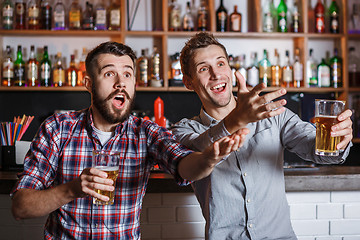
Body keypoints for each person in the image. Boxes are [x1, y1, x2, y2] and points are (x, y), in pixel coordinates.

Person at [10, 41, 248, 239]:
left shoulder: (145, 132)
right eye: (109, 73)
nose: (120, 82)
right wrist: (72, 189)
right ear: (89, 84)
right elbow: (20, 207)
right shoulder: (57, 128)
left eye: (127, 74)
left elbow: (184, 166)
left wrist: (208, 159)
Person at [171, 32, 353, 240]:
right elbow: (193, 159)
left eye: (221, 64)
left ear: (230, 70)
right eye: (203, 68)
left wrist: (337, 139)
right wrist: (236, 121)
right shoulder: (184, 130)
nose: (216, 74)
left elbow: (317, 150)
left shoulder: (272, 115)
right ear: (188, 82)